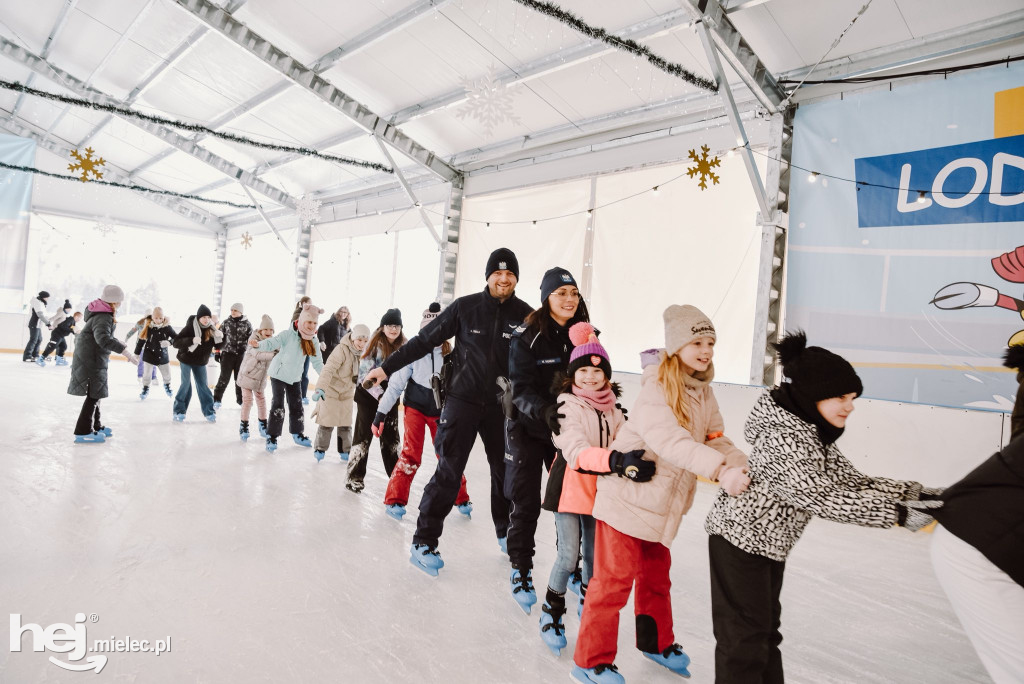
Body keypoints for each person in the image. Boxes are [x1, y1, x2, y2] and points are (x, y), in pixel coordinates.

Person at [703, 331, 941, 684]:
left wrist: (918, 494)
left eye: (853, 397)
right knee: (744, 642)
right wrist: (899, 514)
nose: (851, 405)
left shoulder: (808, 432)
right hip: (739, 545)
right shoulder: (784, 439)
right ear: (813, 395)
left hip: (766, 548)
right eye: (841, 397)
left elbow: (852, 482)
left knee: (765, 635)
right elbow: (822, 497)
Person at [572, 305, 750, 684]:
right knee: (613, 583)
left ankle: (654, 643)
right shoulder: (656, 390)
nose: (706, 351)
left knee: (656, 579)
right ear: (676, 347)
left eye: (711, 343)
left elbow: (714, 438)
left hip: (661, 507)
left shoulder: (703, 392)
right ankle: (590, 661)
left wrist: (741, 463)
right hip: (626, 503)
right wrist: (721, 472)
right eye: (697, 342)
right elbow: (673, 442)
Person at [363, 247, 533, 576]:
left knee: (504, 472)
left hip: (501, 405)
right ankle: (424, 541)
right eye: (497, 273)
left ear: (515, 279)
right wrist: (385, 370)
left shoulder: (526, 315)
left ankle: (506, 533)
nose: (503, 278)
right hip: (461, 401)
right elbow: (422, 342)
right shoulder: (465, 308)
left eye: (509, 274)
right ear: (488, 276)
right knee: (449, 470)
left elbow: (542, 356)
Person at [539, 322, 643, 656]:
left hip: (602, 492)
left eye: (597, 373)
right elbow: (576, 450)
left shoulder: (615, 411)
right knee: (569, 555)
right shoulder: (566, 407)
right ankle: (552, 613)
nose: (590, 378)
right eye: (583, 371)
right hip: (570, 490)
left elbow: (629, 440)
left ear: (607, 377)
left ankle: (590, 603)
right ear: (572, 375)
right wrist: (616, 460)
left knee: (594, 559)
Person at [505, 267, 590, 613]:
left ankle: (570, 567)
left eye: (573, 293)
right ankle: (521, 568)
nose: (569, 299)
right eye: (561, 293)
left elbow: (596, 374)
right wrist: (544, 411)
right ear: (546, 298)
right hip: (529, 427)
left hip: (567, 433)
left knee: (570, 502)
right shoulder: (527, 336)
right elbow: (520, 389)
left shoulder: (585, 333)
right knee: (526, 502)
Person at [375, 304, 471, 520]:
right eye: (431, 329)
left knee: (448, 454)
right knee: (411, 454)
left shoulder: (452, 354)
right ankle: (395, 499)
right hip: (415, 409)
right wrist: (380, 413)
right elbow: (395, 386)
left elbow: (464, 385)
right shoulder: (413, 352)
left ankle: (461, 496)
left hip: (441, 411)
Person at [346, 309, 406, 494]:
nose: (393, 329)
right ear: (383, 327)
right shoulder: (374, 346)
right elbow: (364, 377)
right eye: (389, 325)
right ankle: (354, 478)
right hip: (368, 397)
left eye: (396, 325)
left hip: (390, 397)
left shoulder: (405, 345)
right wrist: (380, 396)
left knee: (391, 440)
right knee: (363, 437)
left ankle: (396, 479)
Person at [67, 285, 137, 443]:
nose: (120, 304)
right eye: (119, 301)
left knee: (96, 393)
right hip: (91, 360)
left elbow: (103, 335)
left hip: (93, 358)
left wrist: (119, 343)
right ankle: (83, 431)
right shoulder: (103, 316)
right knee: (93, 396)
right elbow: (103, 339)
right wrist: (125, 351)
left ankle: (96, 426)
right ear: (113, 301)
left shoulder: (102, 313)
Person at [253, 301, 324, 452]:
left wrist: (326, 377)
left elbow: (317, 362)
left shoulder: (313, 340)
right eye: (309, 322)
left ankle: (298, 434)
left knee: (296, 405)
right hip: (278, 374)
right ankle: (272, 436)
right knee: (278, 405)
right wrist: (258, 345)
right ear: (302, 320)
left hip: (294, 377)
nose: (312, 326)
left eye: (315, 323)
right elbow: (272, 342)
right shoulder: (288, 334)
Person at [311, 323, 370, 461]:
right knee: (327, 422)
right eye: (360, 340)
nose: (362, 344)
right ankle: (320, 448)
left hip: (347, 393)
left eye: (365, 341)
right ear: (353, 338)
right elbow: (328, 369)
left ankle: (345, 451)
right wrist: (320, 388)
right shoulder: (341, 350)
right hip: (331, 391)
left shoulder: (365, 354)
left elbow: (367, 372)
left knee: (345, 424)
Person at [171, 305, 222, 423]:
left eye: (208, 317)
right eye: (203, 317)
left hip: (200, 362)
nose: (206, 319)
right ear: (199, 317)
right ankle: (179, 410)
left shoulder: (212, 330)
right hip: (186, 359)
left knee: (203, 385)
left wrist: (222, 338)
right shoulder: (190, 327)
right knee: (185, 384)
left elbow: (218, 346)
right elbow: (176, 342)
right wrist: (191, 340)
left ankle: (209, 411)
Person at [237, 315, 278, 442]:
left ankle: (263, 425)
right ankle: (244, 425)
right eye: (266, 330)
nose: (269, 332)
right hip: (247, 376)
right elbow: (259, 354)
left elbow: (280, 350)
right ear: (260, 331)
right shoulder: (253, 341)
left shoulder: (273, 343)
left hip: (260, 379)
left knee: (261, 400)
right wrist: (275, 354)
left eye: (271, 330)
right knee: (248, 400)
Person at [213, 302, 252, 409]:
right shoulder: (226, 323)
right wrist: (217, 352)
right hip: (227, 355)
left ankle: (240, 400)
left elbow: (251, 340)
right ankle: (217, 399)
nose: (233, 312)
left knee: (239, 379)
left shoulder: (247, 324)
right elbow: (218, 338)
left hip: (240, 355)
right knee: (224, 378)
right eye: (231, 310)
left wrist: (250, 355)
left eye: (235, 310)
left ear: (240, 312)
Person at [134, 306, 176, 400]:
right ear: (152, 317)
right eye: (156, 318)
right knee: (147, 374)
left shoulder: (167, 328)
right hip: (149, 354)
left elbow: (176, 338)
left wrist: (169, 342)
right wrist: (136, 353)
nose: (158, 320)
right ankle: (145, 388)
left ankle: (167, 385)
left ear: (163, 317)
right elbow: (141, 341)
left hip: (162, 355)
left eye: (161, 318)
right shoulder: (148, 327)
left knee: (167, 374)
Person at [38, 300, 77, 366]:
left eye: (70, 309)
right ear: (65, 308)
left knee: (63, 346)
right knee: (53, 346)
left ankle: (59, 359)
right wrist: (48, 324)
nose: (69, 310)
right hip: (56, 331)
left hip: (60, 332)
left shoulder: (65, 314)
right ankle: (41, 358)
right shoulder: (61, 313)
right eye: (68, 309)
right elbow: (53, 318)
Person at [291, 296, 314, 404]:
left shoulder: (311, 315)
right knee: (296, 371)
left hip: (307, 346)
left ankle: (303, 395)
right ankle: (293, 395)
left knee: (304, 372)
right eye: (309, 303)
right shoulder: (298, 312)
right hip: (298, 346)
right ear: (303, 303)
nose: (311, 305)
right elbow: (295, 327)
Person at [23, 290, 51, 362]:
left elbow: (44, 315)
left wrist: (49, 322)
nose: (47, 299)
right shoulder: (37, 303)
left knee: (39, 339)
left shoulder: (41, 303)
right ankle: (27, 356)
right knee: (33, 340)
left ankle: (35, 355)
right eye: (47, 298)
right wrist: (48, 324)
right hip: (34, 324)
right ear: (43, 297)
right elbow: (40, 315)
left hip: (38, 325)